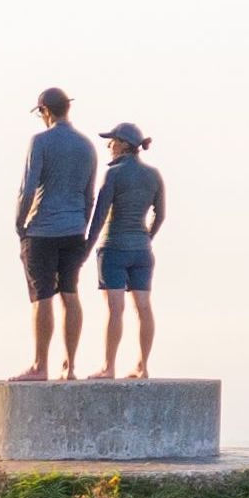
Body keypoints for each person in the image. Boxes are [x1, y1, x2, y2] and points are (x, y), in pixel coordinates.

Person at [14, 88, 97, 381]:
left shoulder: (40, 142)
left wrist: (20, 224)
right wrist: (83, 227)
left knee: (43, 297)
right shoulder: (87, 146)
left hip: (43, 229)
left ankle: (40, 365)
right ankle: (70, 366)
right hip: (74, 229)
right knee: (70, 294)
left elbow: (28, 188)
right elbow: (90, 196)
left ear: (46, 111)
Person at [88, 123, 167, 381]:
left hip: (114, 247)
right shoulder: (154, 175)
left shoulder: (114, 174)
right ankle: (143, 366)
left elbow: (100, 215)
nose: (108, 146)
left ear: (123, 144)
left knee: (115, 309)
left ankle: (108, 367)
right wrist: (147, 237)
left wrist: (87, 246)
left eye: (111, 141)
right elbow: (160, 215)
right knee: (144, 307)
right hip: (142, 250)